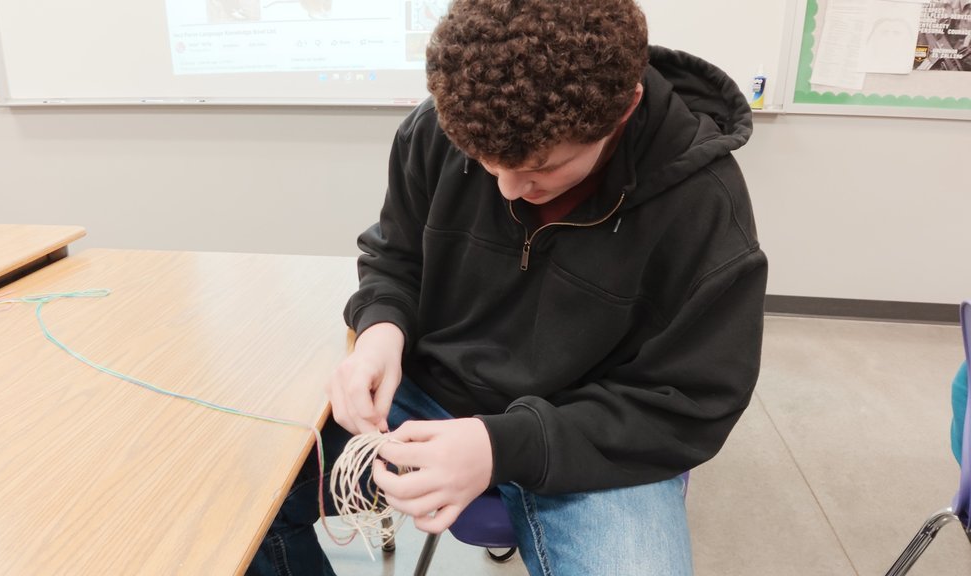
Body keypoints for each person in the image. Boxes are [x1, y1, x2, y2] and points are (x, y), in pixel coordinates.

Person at [248, 0, 768, 574]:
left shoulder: (703, 206)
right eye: (485, 162)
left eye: (543, 167)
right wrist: (380, 331)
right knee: (233, 496)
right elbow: (395, 256)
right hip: (430, 390)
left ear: (625, 109)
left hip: (583, 432)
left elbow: (689, 404)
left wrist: (502, 446)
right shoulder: (437, 130)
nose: (509, 190)